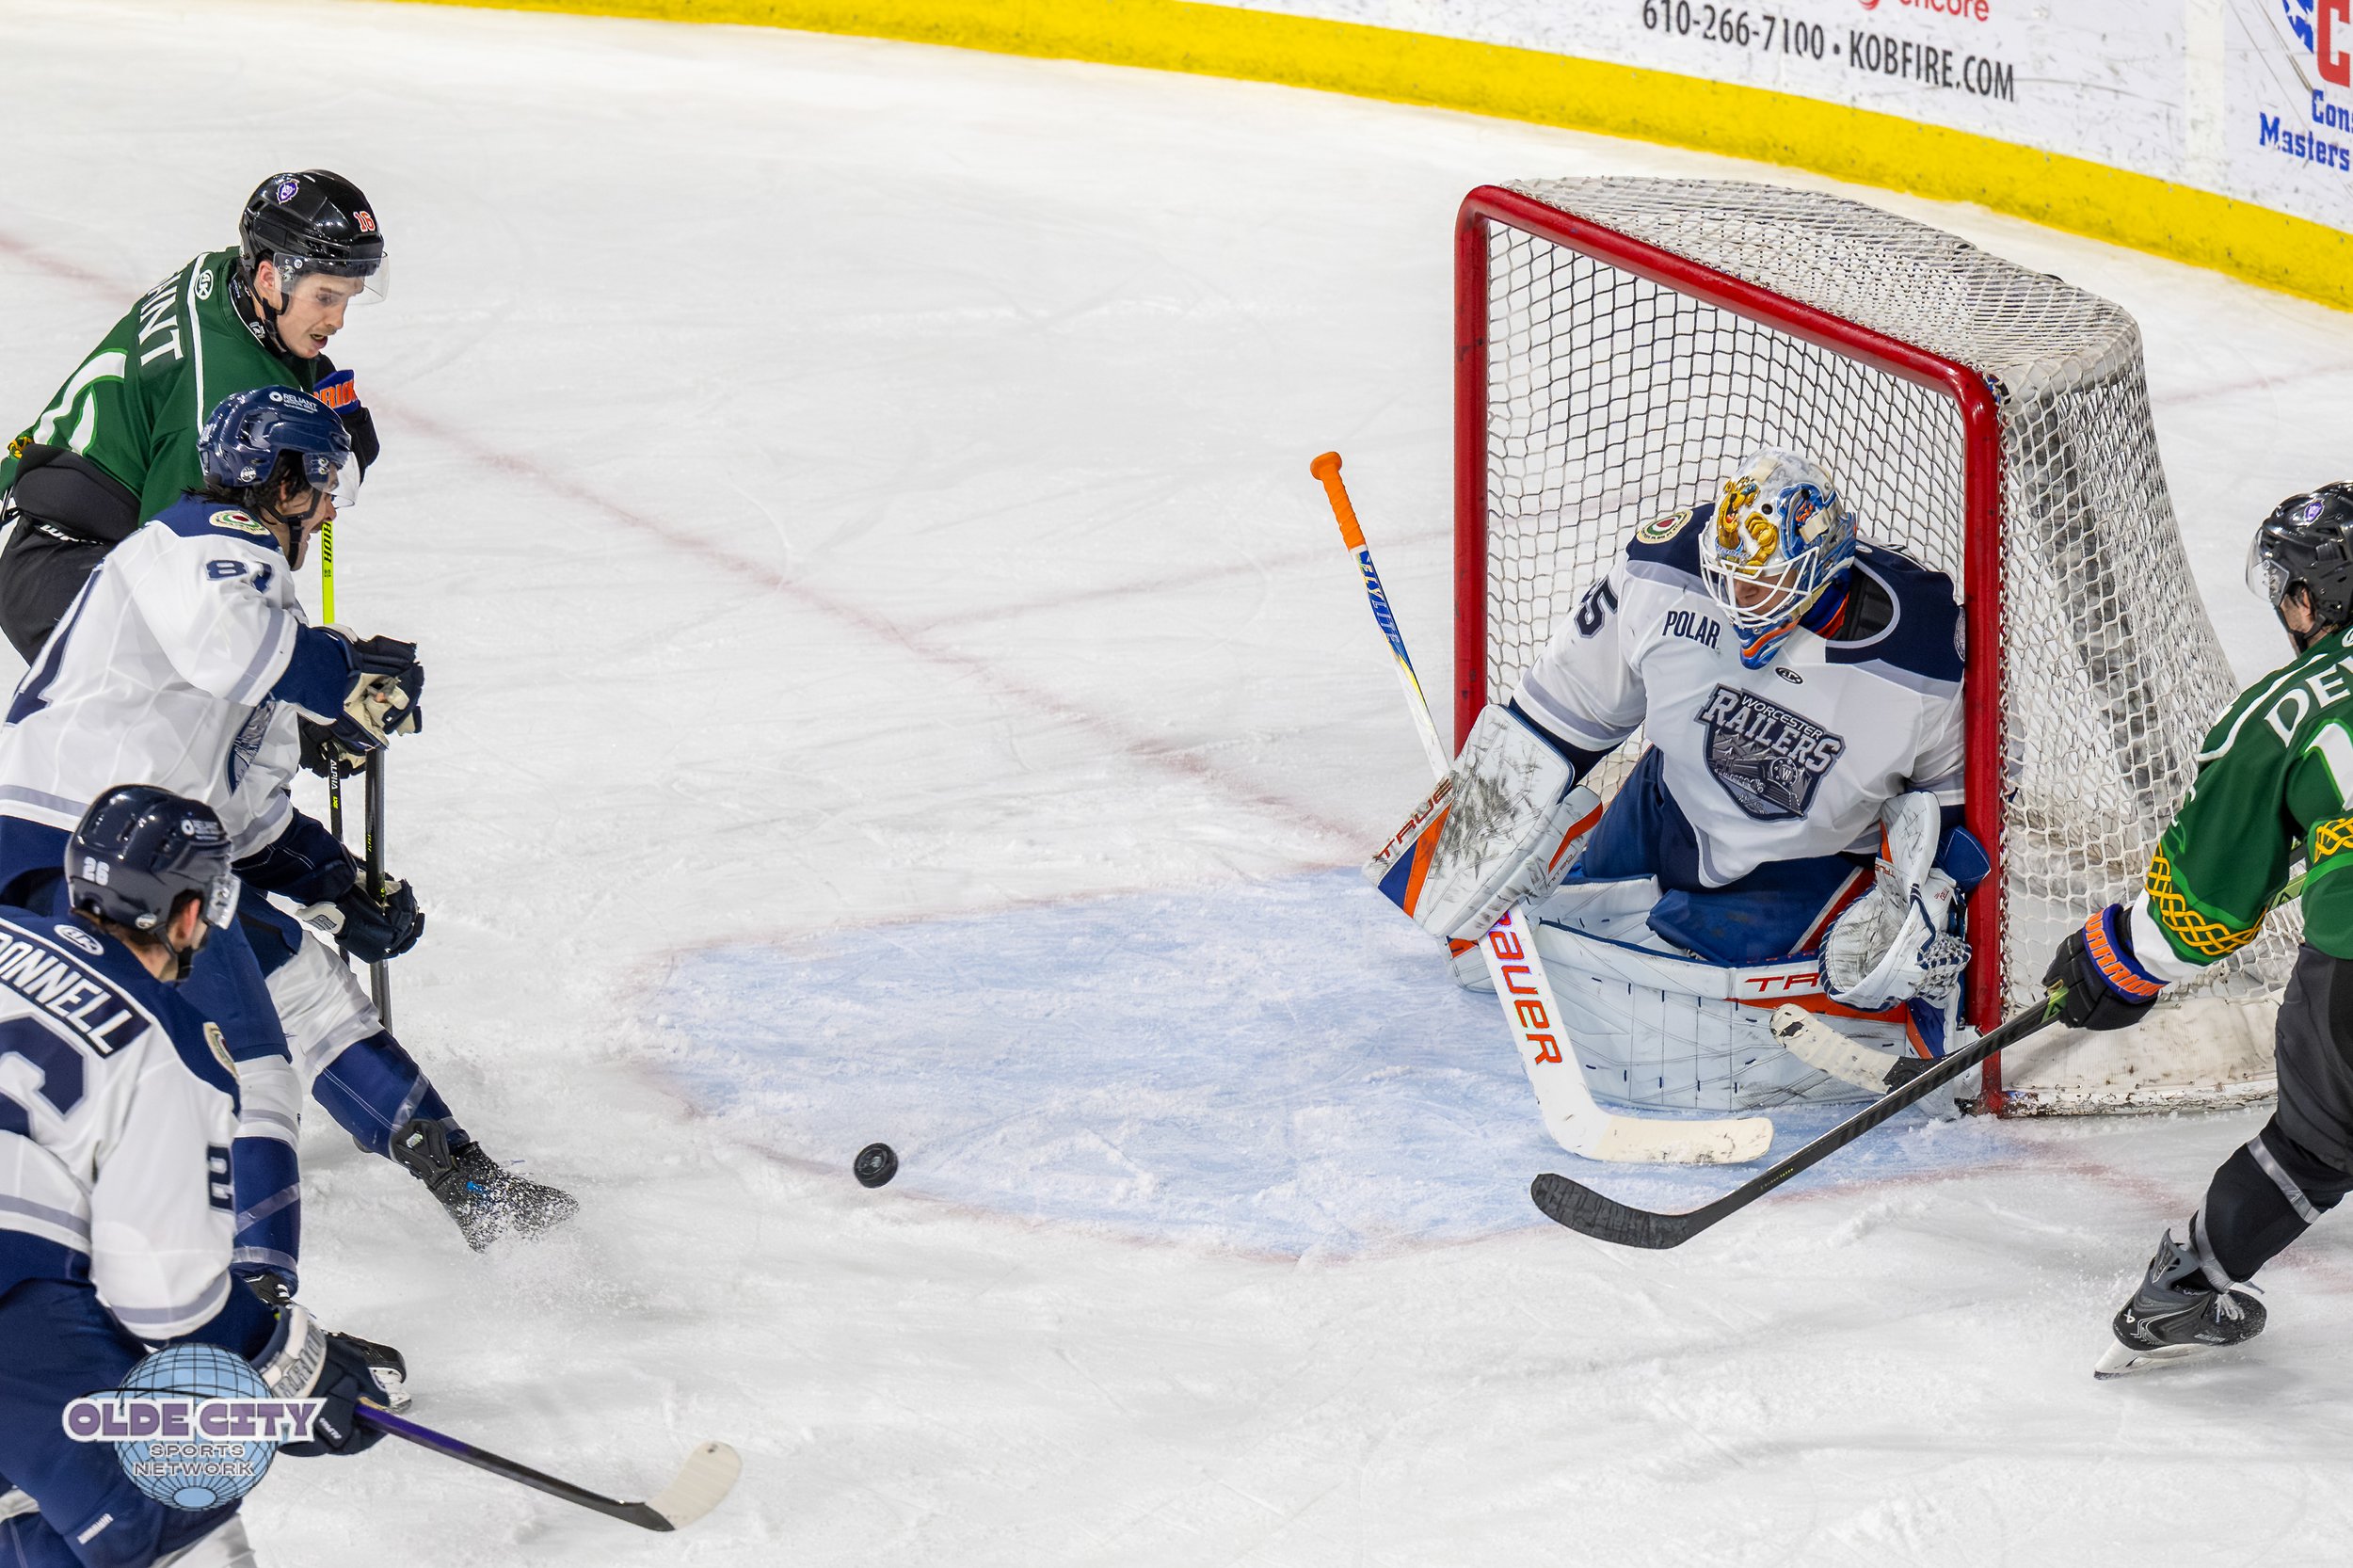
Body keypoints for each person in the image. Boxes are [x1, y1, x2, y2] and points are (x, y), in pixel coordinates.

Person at [0, 385, 574, 1250]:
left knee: (305, 991)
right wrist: (344, 670)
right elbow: (233, 655)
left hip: (103, 843)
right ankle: (265, 1310)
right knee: (256, 1068)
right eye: (324, 481)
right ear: (278, 479)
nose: (332, 503)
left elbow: (242, 804)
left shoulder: (234, 583)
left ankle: (469, 1184)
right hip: (87, 844)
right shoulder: (211, 540)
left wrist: (334, 882)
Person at [1367, 448, 1983, 1111]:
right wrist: (1481, 830)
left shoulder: (1928, 656)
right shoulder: (1663, 572)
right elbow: (1558, 715)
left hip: (1806, 865)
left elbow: (1950, 825)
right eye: (1730, 577)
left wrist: (1924, 911)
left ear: (1820, 569)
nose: (1737, 600)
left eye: (1761, 585)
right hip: (1669, 811)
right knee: (1522, 945)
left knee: (1687, 1031)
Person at [0, 787, 400, 1568]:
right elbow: (165, 1297)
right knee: (176, 1487)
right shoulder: (170, 1044)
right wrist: (291, 1367)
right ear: (189, 916)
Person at [2049, 482, 2353, 1375]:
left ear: (2307, 600)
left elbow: (2204, 913)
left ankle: (2179, 1292)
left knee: (2318, 1144)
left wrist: (2118, 960)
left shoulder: (2280, 715)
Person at [0, 169, 386, 661]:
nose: (337, 320)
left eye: (347, 296)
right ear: (270, 278)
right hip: (71, 571)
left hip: (67, 533)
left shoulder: (227, 275)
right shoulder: (217, 406)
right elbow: (198, 577)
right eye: (325, 298)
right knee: (208, 699)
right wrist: (312, 678)